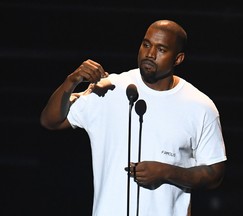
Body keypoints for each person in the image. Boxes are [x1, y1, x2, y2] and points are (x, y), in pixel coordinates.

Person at [40, 19, 227, 216]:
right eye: (146, 45)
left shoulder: (199, 106)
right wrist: (72, 81)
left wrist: (166, 172)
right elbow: (51, 121)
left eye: (161, 49)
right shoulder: (110, 88)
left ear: (178, 58)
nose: (150, 54)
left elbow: (215, 174)